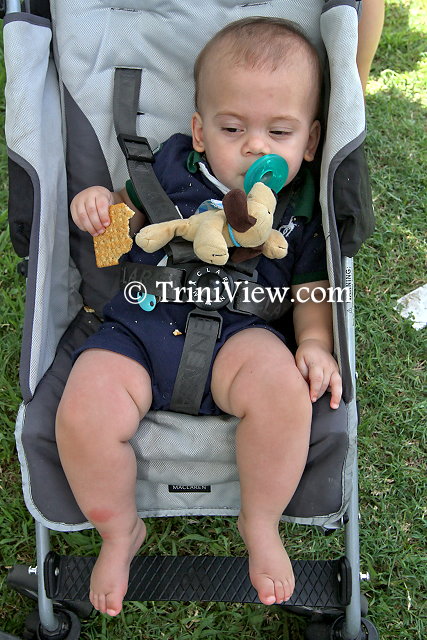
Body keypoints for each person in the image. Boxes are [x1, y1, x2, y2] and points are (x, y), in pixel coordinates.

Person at [56, 17, 342, 617]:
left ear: (311, 140)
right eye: (232, 128)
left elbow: (313, 287)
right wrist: (102, 210)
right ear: (200, 131)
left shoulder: (301, 204)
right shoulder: (170, 165)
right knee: (83, 411)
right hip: (138, 330)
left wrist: (315, 342)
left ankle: (260, 522)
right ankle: (119, 531)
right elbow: (119, 236)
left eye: (279, 131)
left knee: (284, 396)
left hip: (243, 337)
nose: (255, 147)